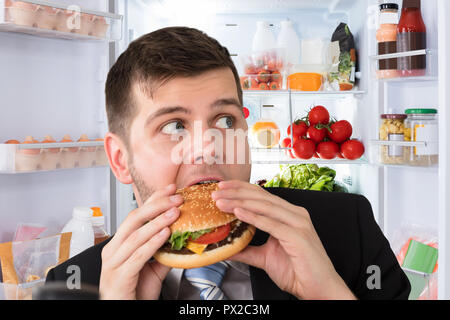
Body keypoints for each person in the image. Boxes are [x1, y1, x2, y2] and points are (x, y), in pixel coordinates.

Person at [46, 27, 410, 300]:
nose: (208, 148)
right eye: (174, 126)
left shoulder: (348, 228)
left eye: (225, 120)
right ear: (120, 159)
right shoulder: (73, 283)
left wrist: (330, 293)